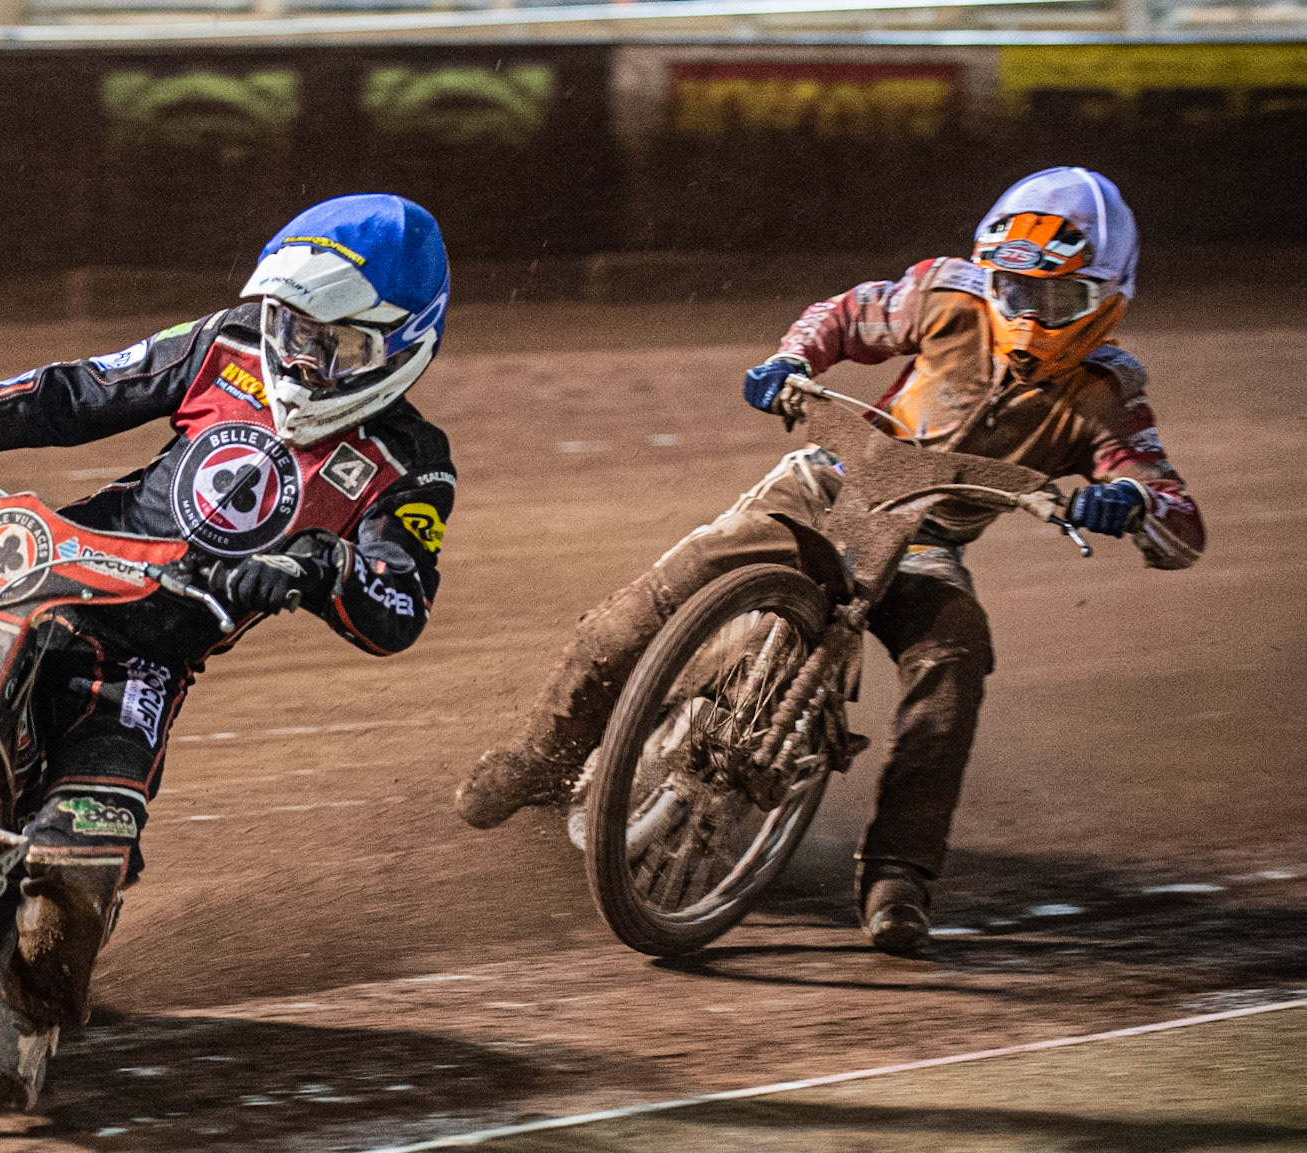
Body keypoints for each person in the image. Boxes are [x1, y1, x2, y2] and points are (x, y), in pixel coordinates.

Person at [453, 167, 1204, 952]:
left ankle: (898, 873)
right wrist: (790, 361)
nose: (1031, 317)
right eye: (1016, 294)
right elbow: (846, 315)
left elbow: (1180, 520)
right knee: (656, 597)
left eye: (1060, 301)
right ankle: (543, 754)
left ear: (1110, 300)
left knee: (953, 655)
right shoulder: (946, 299)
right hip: (828, 486)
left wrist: (1133, 502)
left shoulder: (1109, 397)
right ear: (992, 279)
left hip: (925, 541)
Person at [0, 193, 454, 1109]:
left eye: (333, 344)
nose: (300, 358)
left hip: (142, 664)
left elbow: (399, 606)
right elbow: (76, 391)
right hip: (35, 586)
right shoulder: (225, 344)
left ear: (400, 345)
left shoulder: (411, 463)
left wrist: (322, 567)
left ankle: (28, 1012)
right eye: (289, 329)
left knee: (74, 863)